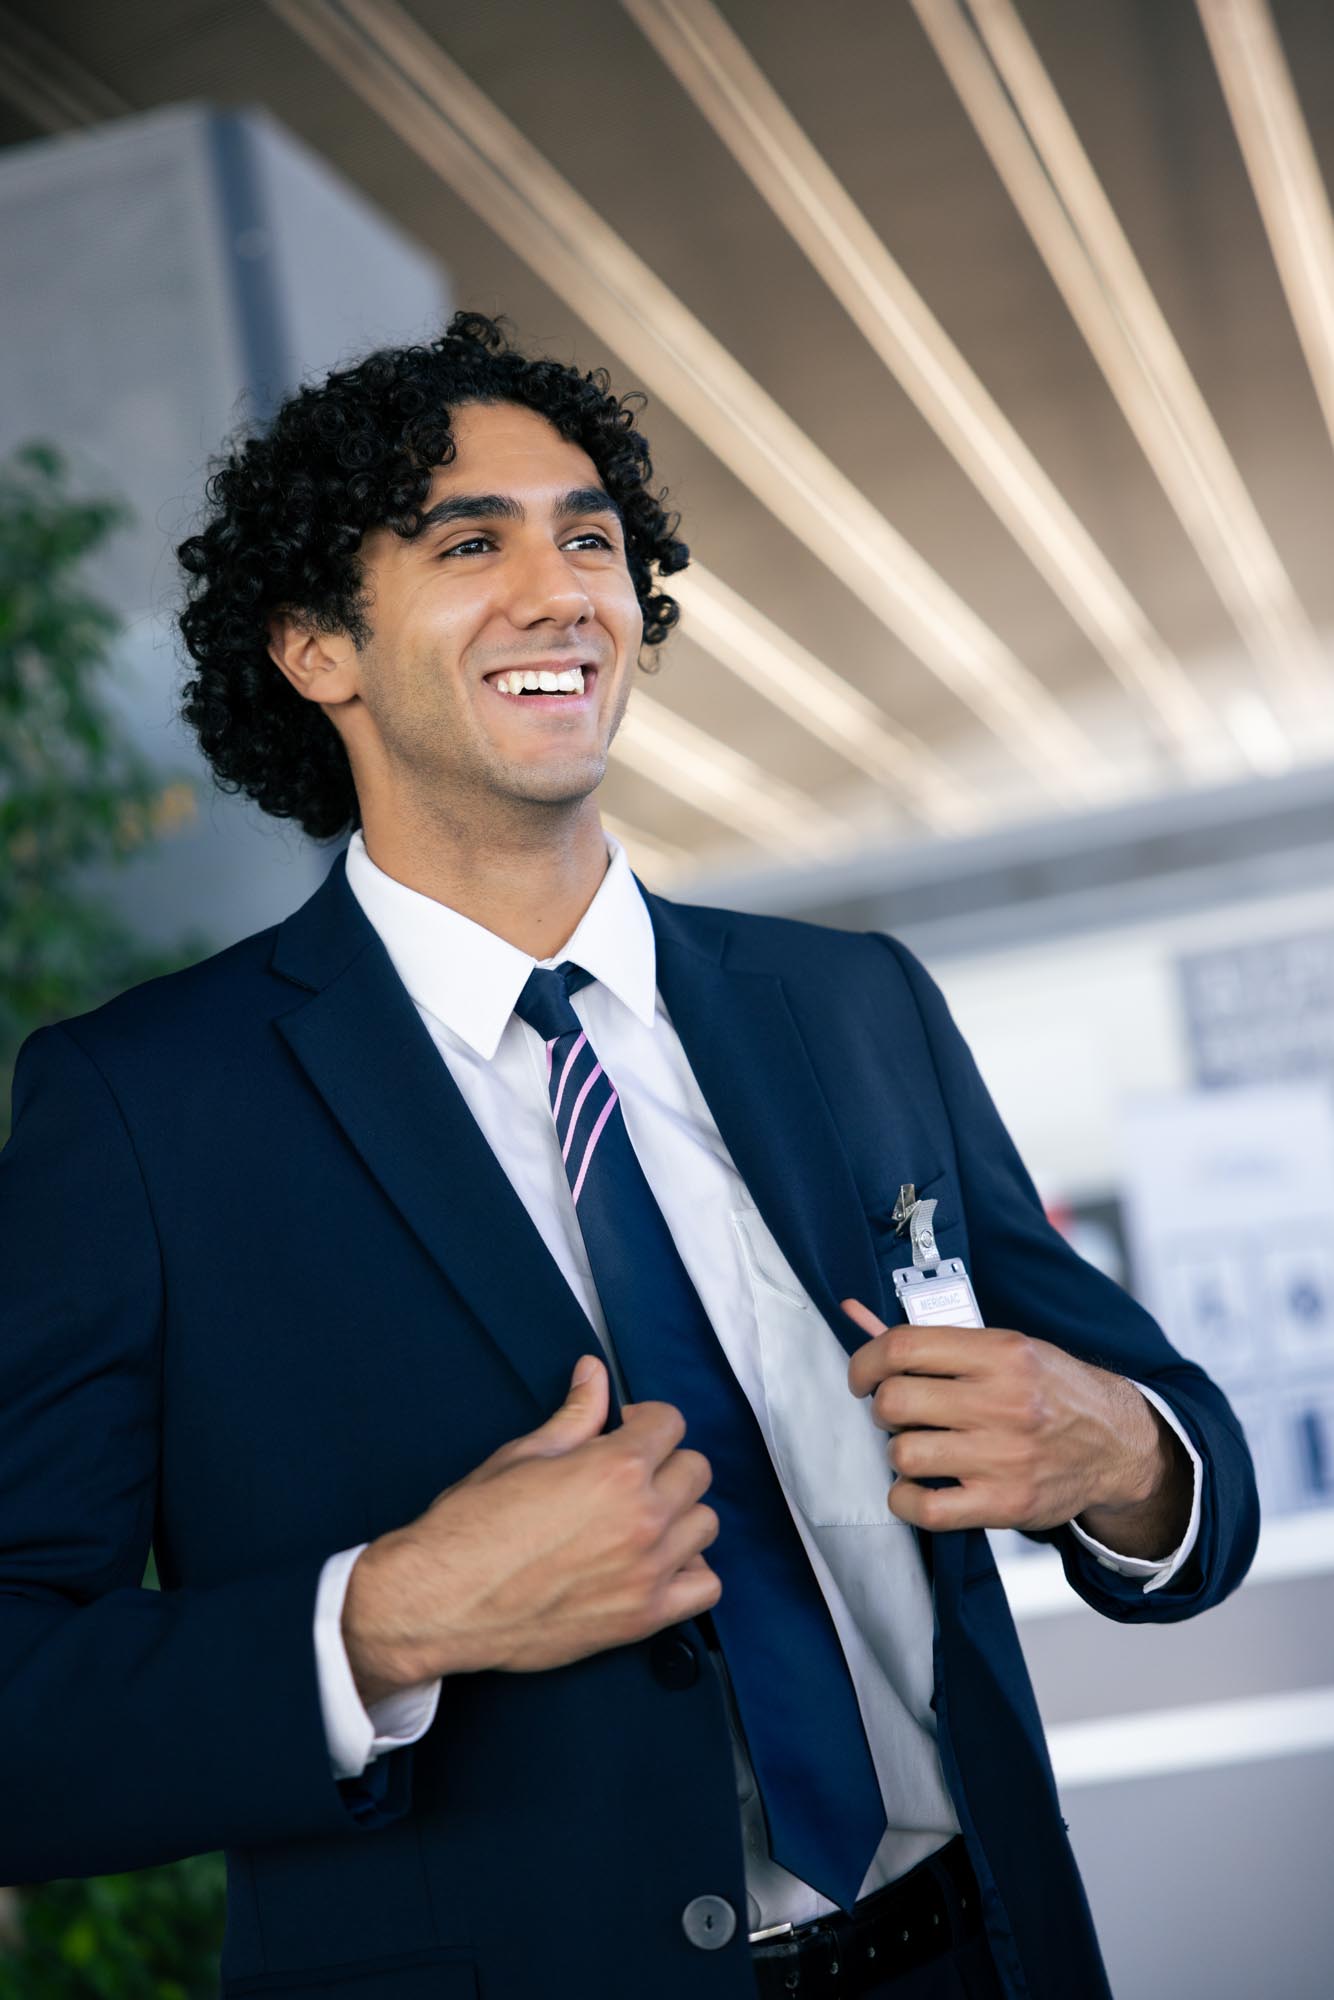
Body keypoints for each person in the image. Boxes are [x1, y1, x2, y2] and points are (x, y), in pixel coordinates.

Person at [0, 312, 1258, 2000]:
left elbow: (1187, 1469)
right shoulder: (143, 1105)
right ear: (314, 645)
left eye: (589, 537)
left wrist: (1121, 1453)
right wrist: (384, 1619)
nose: (560, 589)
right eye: (470, 543)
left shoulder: (852, 1002)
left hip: (983, 1959)